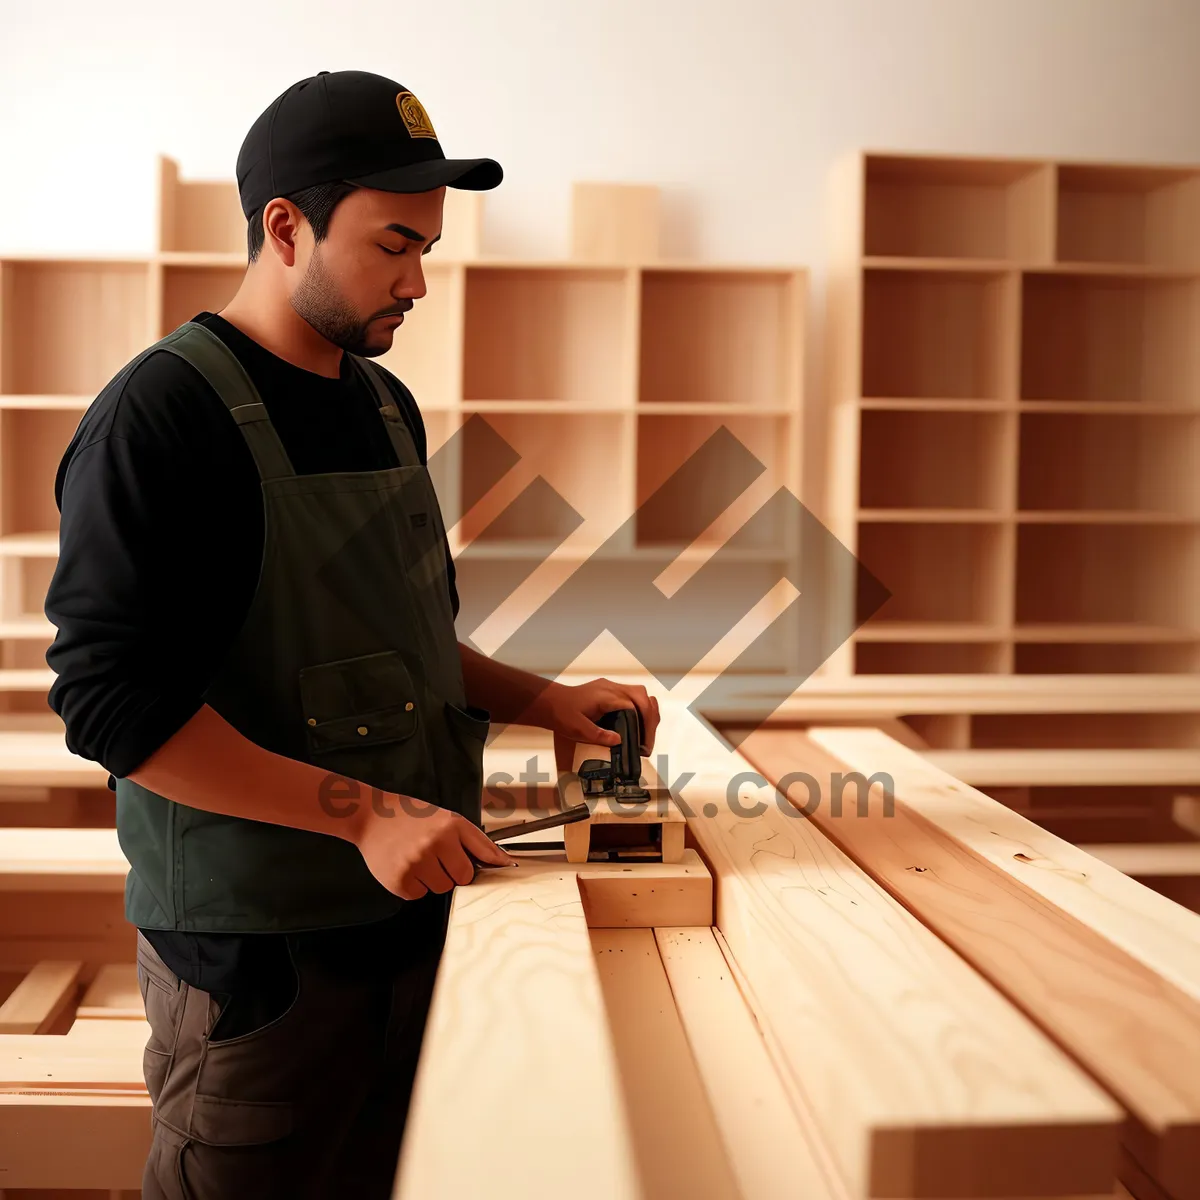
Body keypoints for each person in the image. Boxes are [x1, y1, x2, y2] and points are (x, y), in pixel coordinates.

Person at [44, 69, 659, 1199]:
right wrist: (363, 812)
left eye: (426, 246)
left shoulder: (382, 403)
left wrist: (543, 700)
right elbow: (113, 708)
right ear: (286, 227)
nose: (419, 280)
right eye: (392, 245)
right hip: (260, 969)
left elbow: (407, 641)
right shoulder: (160, 417)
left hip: (417, 931)